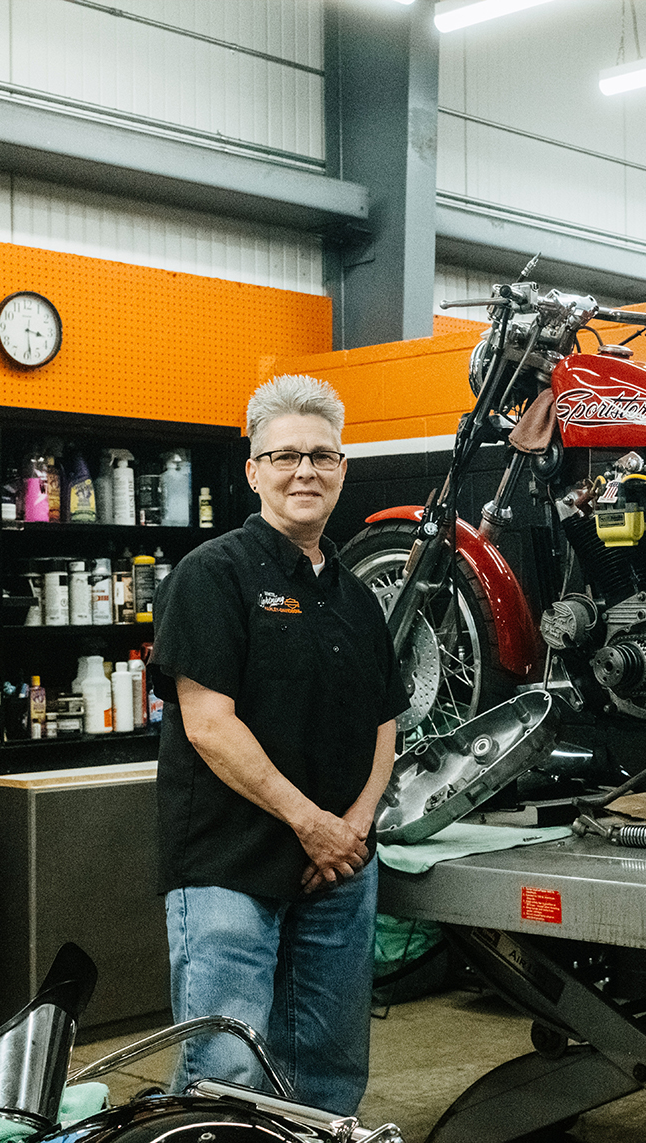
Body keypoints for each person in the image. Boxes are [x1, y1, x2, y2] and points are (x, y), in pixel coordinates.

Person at [151, 374, 406, 1114]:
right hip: (232, 863)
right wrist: (312, 823)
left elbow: (385, 722)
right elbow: (209, 723)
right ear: (253, 470)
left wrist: (352, 829)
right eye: (286, 455)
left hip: (337, 872)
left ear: (342, 470)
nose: (305, 471)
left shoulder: (357, 596)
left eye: (322, 456)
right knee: (224, 1065)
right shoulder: (213, 574)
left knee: (326, 1071)